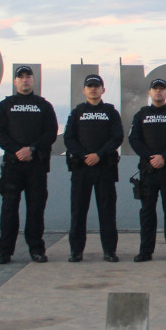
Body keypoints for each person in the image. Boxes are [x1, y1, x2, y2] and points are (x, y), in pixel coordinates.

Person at [0, 66, 57, 264]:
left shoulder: (43, 106)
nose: (25, 80)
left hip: (36, 165)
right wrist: (17, 151)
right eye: (21, 77)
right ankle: (5, 252)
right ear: (15, 82)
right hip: (12, 166)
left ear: (33, 80)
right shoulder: (6, 105)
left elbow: (51, 132)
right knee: (9, 210)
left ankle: (36, 249)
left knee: (36, 209)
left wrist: (32, 149)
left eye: (28, 76)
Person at [62, 74, 123, 262]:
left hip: (104, 167)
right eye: (90, 86)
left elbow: (117, 137)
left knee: (107, 211)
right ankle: (76, 251)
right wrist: (83, 155)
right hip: (82, 169)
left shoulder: (111, 112)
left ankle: (109, 251)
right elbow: (69, 138)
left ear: (103, 90)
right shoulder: (77, 112)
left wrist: (99, 155)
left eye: (97, 86)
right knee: (78, 211)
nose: (93, 89)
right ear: (84, 90)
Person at [128, 78, 166, 262]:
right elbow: (134, 139)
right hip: (148, 171)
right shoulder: (142, 114)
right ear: (149, 93)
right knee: (147, 212)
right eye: (155, 89)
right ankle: (145, 251)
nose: (159, 92)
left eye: (162, 89)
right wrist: (150, 157)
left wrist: (164, 156)